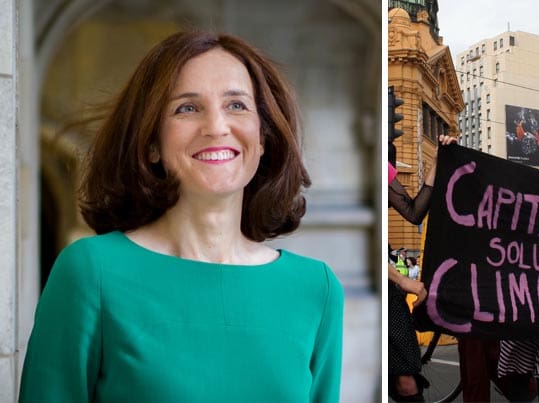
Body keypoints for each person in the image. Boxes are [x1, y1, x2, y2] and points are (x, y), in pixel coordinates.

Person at [19, 31, 343, 402]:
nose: (217, 127)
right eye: (187, 108)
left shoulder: (316, 289)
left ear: (263, 137)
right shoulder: (91, 272)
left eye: (236, 105)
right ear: (152, 143)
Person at [387, 134, 456, 401]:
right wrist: (403, 281)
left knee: (406, 378)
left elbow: (414, 212)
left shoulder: (383, 169)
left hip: (385, 281)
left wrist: (438, 161)